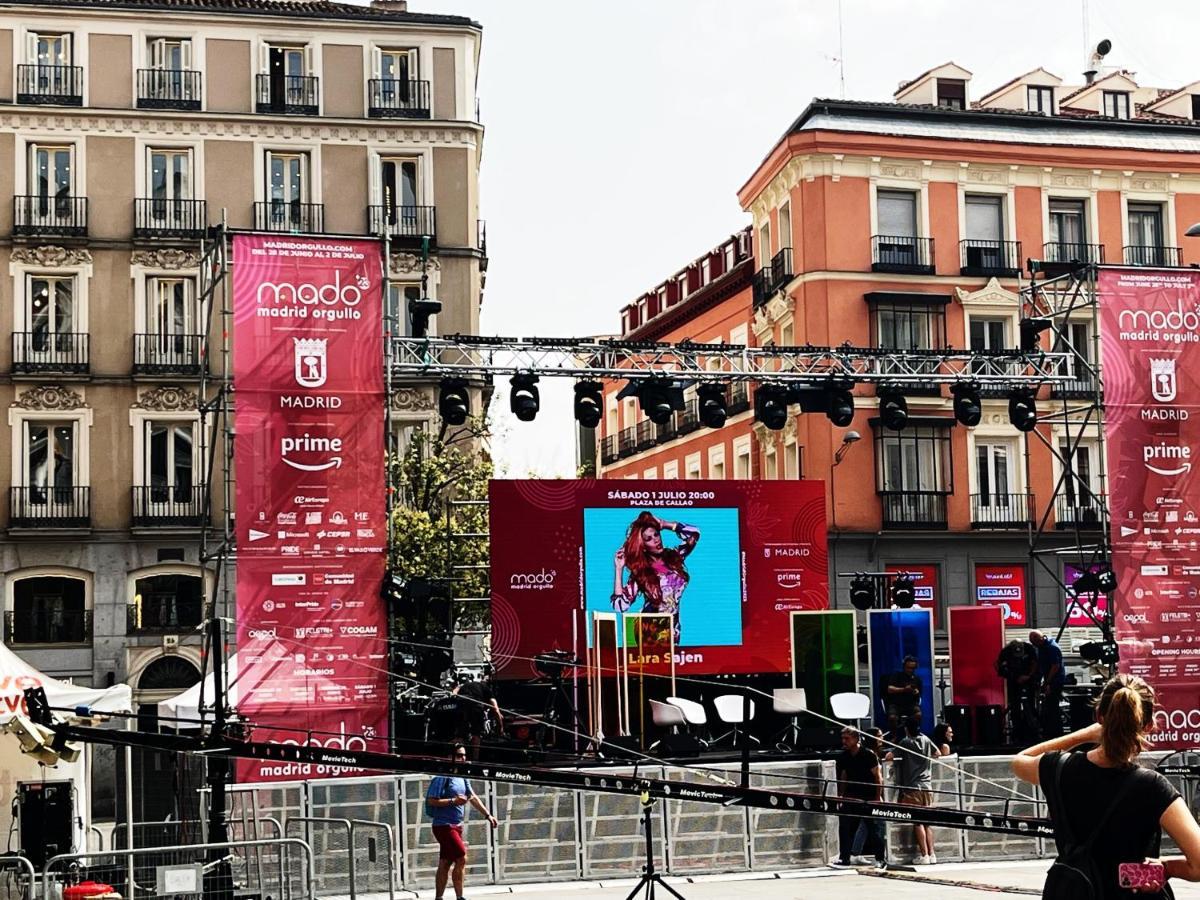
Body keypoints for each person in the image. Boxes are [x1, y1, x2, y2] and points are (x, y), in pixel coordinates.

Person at [1012, 674, 1200, 900]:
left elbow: (1019, 761)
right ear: (1148, 725)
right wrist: (1167, 867)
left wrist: (1084, 735)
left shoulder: (1059, 769)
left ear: (1099, 716)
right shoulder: (1153, 787)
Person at [612, 511, 700, 643]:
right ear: (643, 546)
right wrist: (619, 569)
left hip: (672, 631)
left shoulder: (674, 558)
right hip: (650, 633)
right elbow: (620, 605)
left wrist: (665, 524)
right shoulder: (642, 573)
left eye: (656, 534)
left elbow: (694, 534)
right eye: (648, 539)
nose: (656, 540)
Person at [426, 743, 498, 900]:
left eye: (464, 755)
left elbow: (471, 797)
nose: (463, 758)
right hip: (443, 825)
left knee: (445, 861)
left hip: (456, 825)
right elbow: (432, 800)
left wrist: (488, 815)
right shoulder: (442, 776)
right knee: (461, 857)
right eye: (459, 755)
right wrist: (453, 801)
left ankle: (440, 897)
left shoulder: (462, 775)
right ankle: (460, 897)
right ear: (449, 757)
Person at [887, 717, 940, 865]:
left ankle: (924, 855)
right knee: (927, 822)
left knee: (917, 822)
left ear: (906, 729)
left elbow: (889, 756)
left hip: (912, 787)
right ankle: (932, 853)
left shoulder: (905, 742)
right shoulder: (926, 739)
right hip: (927, 786)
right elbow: (938, 753)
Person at [834, 727, 883, 867]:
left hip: (867, 796)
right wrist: (840, 796)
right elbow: (843, 777)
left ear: (856, 739)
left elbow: (877, 777)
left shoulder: (868, 754)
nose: (844, 741)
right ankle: (845, 858)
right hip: (851, 796)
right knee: (846, 828)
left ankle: (880, 859)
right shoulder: (844, 756)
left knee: (873, 829)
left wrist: (877, 797)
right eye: (843, 738)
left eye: (847, 739)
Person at [850, 727, 888, 867]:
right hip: (872, 796)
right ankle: (880, 858)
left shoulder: (868, 753)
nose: (882, 738)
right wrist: (878, 797)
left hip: (867, 795)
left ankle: (855, 852)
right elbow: (878, 778)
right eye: (879, 736)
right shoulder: (870, 754)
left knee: (864, 825)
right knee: (879, 826)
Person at [452, 672, 503, 757]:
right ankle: (475, 759)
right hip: (475, 707)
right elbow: (496, 709)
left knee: (460, 734)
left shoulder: (464, 686)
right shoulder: (486, 688)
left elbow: (454, 694)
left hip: (460, 705)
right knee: (476, 733)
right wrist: (501, 726)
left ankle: (460, 759)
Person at [1030, 630, 1065, 737]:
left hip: (1055, 681)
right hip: (1050, 680)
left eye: (1034, 643)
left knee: (1052, 707)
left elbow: (1055, 666)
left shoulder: (1051, 647)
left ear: (1039, 640)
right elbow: (1041, 665)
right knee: (1049, 706)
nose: (1034, 645)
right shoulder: (1042, 647)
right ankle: (1051, 731)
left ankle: (1055, 733)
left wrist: (1047, 683)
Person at [885, 655, 922, 729]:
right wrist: (904, 689)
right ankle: (895, 735)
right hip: (896, 703)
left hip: (911, 704)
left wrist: (916, 692)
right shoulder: (897, 676)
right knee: (892, 717)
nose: (910, 670)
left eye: (913, 668)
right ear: (904, 666)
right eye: (908, 668)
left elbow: (919, 695)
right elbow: (890, 689)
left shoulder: (917, 679)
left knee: (918, 714)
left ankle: (913, 732)